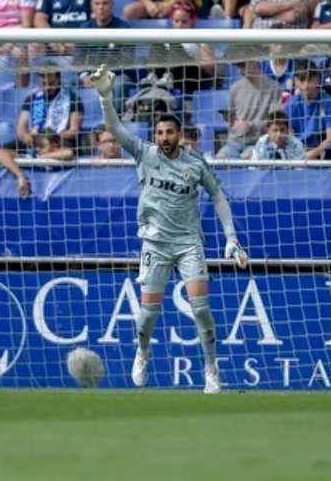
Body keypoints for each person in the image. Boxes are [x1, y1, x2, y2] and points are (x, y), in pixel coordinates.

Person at [90, 64, 249, 394]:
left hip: (189, 242)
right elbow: (115, 129)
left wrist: (231, 239)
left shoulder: (194, 163)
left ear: (179, 135)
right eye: (160, 133)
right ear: (155, 136)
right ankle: (143, 351)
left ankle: (211, 370)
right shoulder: (145, 154)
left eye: (169, 133)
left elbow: (218, 195)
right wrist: (106, 96)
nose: (164, 138)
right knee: (148, 315)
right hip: (155, 244)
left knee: (201, 309)